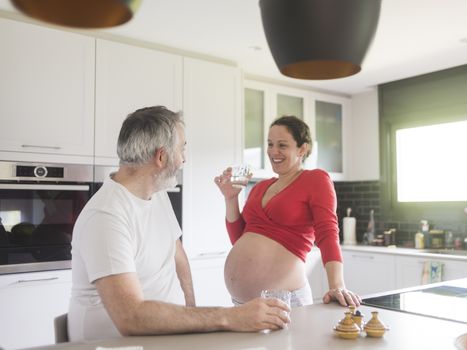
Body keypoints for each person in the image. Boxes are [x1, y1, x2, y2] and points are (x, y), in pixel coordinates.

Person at [68, 106, 290, 341]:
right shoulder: (106, 216)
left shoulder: (157, 194)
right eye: (182, 148)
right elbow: (130, 317)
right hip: (115, 344)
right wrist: (230, 317)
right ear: (161, 157)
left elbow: (178, 258)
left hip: (165, 337)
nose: (184, 159)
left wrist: (192, 317)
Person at [215, 115, 361, 307]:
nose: (273, 151)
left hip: (286, 302)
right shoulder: (260, 187)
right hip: (243, 304)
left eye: (282, 145)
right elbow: (240, 239)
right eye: (270, 144)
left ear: (302, 149)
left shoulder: (316, 179)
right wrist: (231, 198)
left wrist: (337, 285)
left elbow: (327, 233)